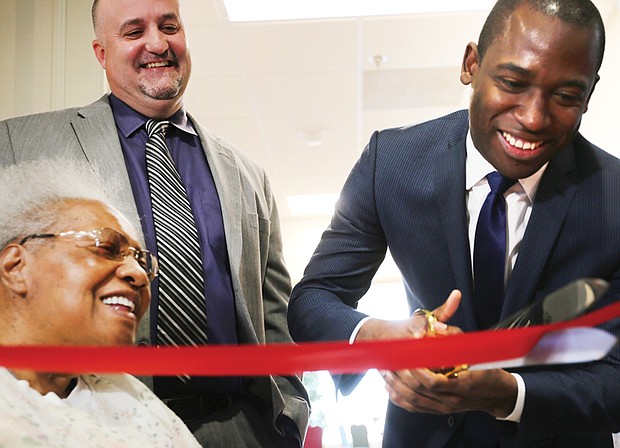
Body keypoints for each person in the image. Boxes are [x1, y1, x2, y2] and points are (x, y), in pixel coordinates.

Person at [287, 0, 620, 446]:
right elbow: (312, 301)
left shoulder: (614, 198)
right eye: (513, 83)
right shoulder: (391, 163)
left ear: (589, 93)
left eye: (565, 97)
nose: (533, 117)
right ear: (471, 64)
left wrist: (508, 394)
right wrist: (380, 336)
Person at [0, 0, 309, 446]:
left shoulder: (247, 175)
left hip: (240, 425)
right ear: (101, 52)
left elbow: (274, 313)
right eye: (133, 31)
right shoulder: (16, 142)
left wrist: (287, 418)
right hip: (93, 421)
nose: (157, 43)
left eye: (169, 26)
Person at [0, 159, 201, 447]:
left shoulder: (132, 400)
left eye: (142, 262)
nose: (139, 275)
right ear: (16, 267)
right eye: (106, 248)